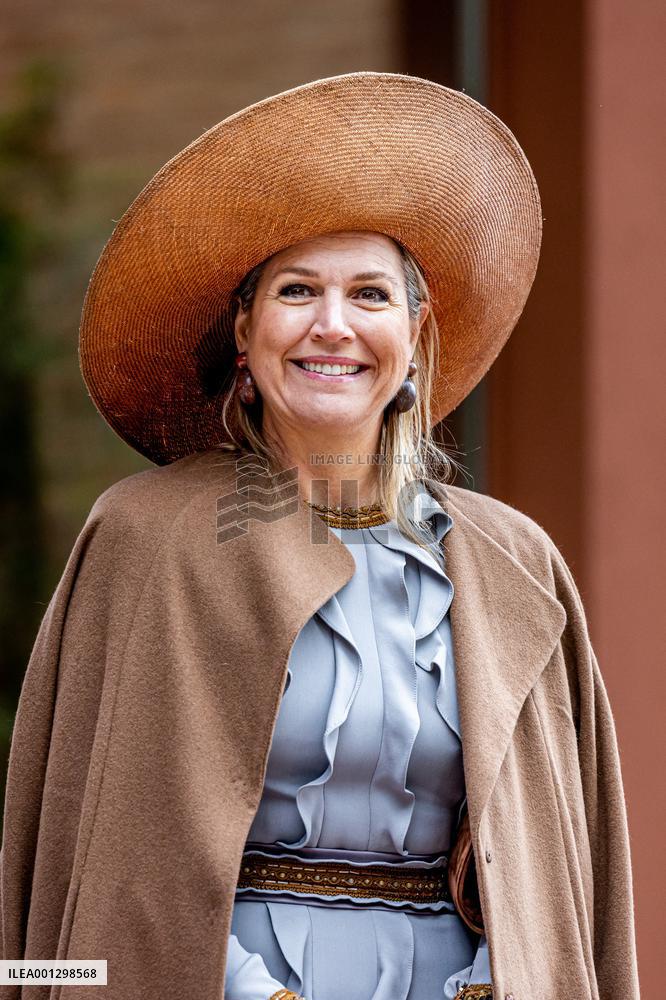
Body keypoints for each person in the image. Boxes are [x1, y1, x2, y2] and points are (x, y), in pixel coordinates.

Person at [0, 73, 639, 1000]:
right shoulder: (146, 539)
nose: (332, 326)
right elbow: (80, 861)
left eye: (370, 295)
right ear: (247, 333)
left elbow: (567, 878)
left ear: (415, 338)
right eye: (298, 290)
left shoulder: (516, 566)